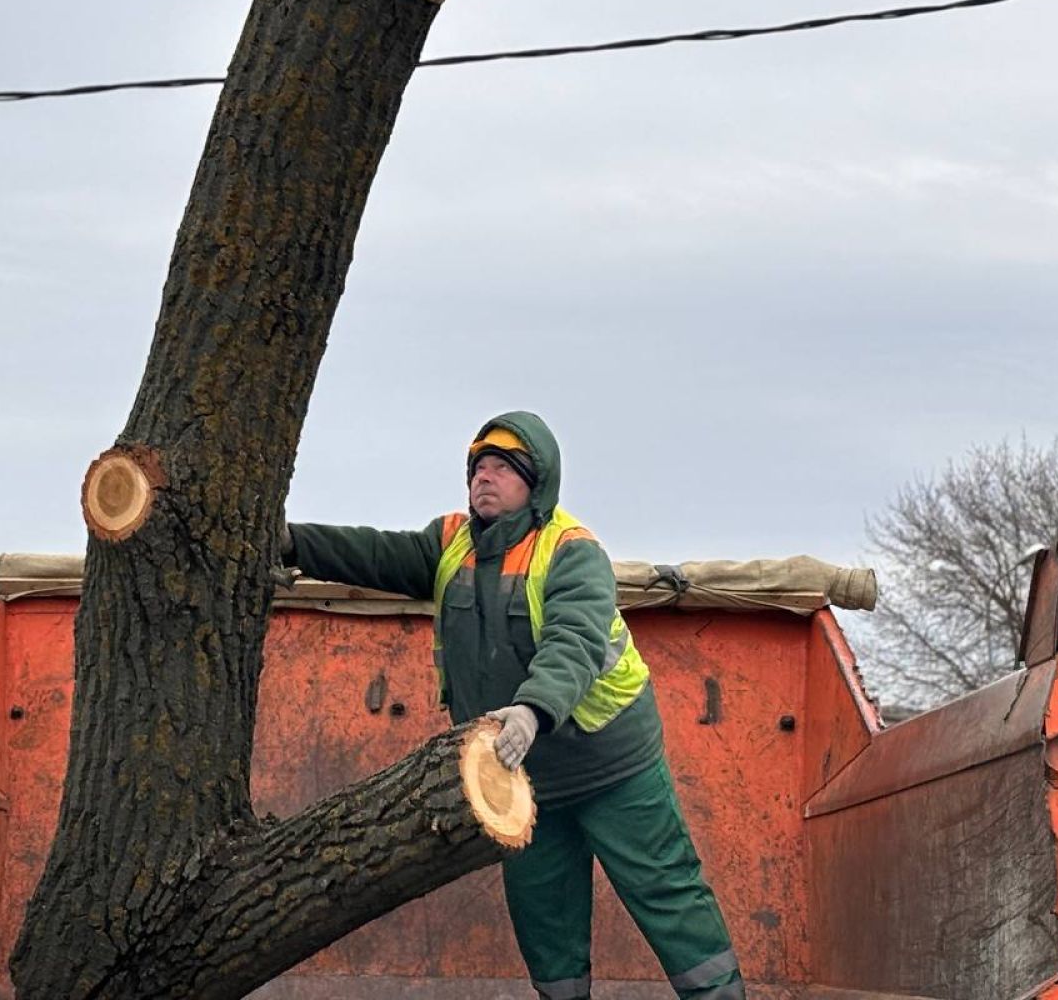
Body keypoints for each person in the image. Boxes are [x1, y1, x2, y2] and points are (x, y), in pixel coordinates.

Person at [281, 411, 743, 1000]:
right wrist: (294, 542)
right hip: (521, 784)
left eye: (503, 467)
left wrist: (530, 711)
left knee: (669, 898)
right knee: (544, 921)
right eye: (479, 467)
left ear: (537, 484)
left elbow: (573, 643)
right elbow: (371, 553)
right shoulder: (449, 543)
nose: (485, 477)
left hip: (613, 770)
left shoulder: (572, 553)